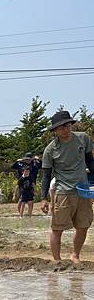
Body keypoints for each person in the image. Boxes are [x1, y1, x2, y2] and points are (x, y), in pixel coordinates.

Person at [41, 110, 94, 266]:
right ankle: (57, 260)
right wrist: (44, 198)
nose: (65, 129)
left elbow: (90, 162)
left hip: (83, 190)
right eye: (61, 127)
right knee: (57, 228)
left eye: (68, 125)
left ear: (71, 124)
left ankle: (75, 255)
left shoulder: (83, 139)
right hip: (63, 192)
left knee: (83, 226)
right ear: (55, 130)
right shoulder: (51, 150)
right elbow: (46, 176)